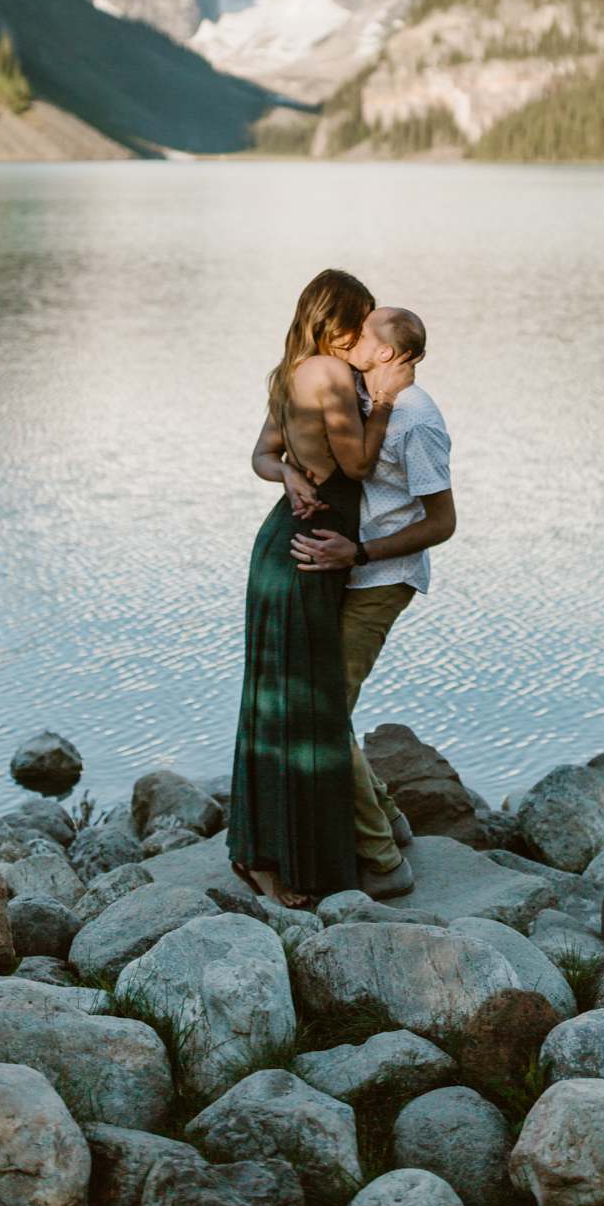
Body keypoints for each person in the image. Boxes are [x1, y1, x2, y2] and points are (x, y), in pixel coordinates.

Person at [229, 268, 410, 909]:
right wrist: (385, 400)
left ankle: (265, 850)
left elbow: (259, 454)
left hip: (288, 547)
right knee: (307, 707)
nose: (365, 332)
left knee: (277, 703)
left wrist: (283, 473)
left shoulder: (288, 372)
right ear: (337, 320)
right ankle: (284, 863)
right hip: (308, 555)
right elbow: (357, 464)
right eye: (359, 320)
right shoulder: (331, 376)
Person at [277, 304, 456, 899]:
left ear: (383, 351)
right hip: (344, 574)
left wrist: (358, 554)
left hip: (382, 579)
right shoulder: (356, 389)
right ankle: (393, 822)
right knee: (329, 704)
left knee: (325, 711)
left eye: (366, 328)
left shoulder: (418, 420)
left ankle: (383, 862)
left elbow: (443, 523)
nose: (352, 334)